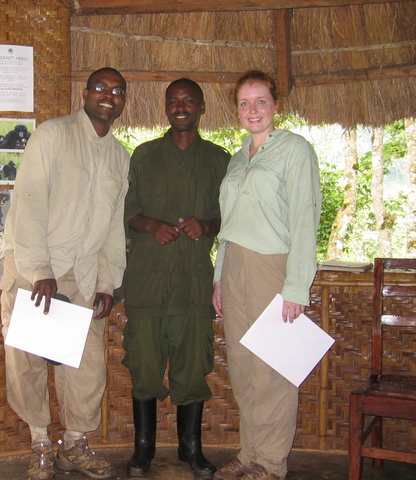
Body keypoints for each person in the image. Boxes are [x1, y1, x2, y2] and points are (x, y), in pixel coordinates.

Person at [0, 67, 129, 480]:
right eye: (101, 88)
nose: (108, 96)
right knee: (28, 361)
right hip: (33, 269)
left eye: (117, 91)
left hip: (83, 274)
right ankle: (39, 443)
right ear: (85, 93)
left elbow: (115, 226)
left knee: (87, 364)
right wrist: (39, 270)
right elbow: (30, 203)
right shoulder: (52, 136)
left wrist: (107, 282)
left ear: (124, 101)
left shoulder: (121, 157)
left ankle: (74, 444)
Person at [212, 71, 322, 480]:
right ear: (236, 110)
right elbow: (229, 224)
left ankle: (272, 464)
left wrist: (295, 287)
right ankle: (249, 453)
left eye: (260, 101)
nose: (252, 110)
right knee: (243, 367)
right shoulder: (238, 157)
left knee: (273, 369)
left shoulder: (295, 150)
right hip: (236, 266)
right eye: (244, 103)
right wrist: (220, 277)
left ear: (276, 105)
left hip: (272, 268)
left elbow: (305, 220)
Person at [123, 78, 231, 478]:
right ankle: (144, 449)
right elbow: (126, 211)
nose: (181, 106)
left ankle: (191, 448)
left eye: (189, 101)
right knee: (144, 370)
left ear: (201, 108)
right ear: (165, 108)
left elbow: (231, 220)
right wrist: (151, 225)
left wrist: (208, 225)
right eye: (174, 101)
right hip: (148, 285)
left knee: (191, 370)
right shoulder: (144, 156)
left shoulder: (220, 161)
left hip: (193, 287)